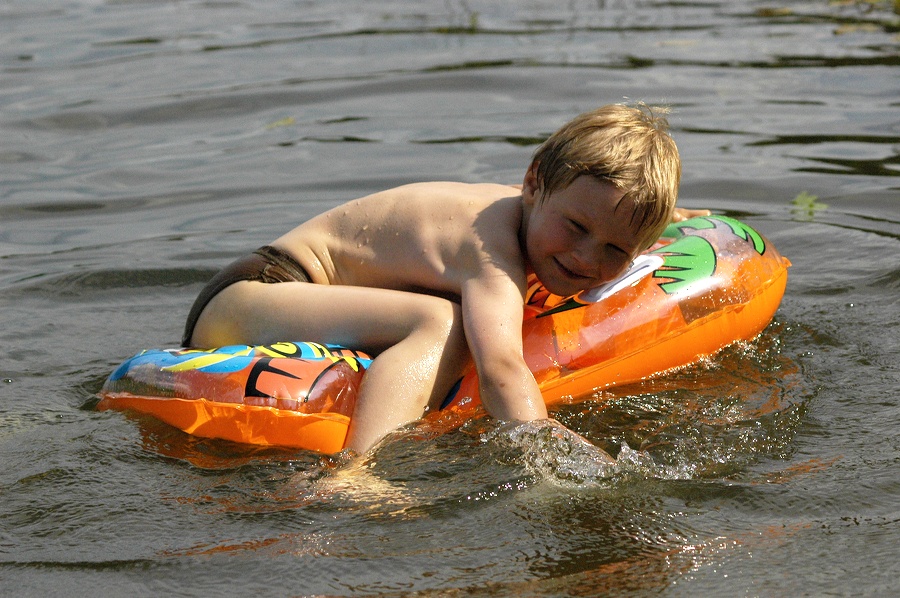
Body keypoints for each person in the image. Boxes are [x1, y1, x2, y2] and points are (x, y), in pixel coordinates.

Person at [182, 103, 703, 453]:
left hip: (276, 301)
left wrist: (670, 221)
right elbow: (501, 367)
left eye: (616, 249)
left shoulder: (550, 201)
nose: (586, 257)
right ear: (532, 184)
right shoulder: (490, 252)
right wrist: (545, 444)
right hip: (253, 296)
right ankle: (359, 470)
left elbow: (598, 217)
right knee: (442, 321)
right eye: (576, 228)